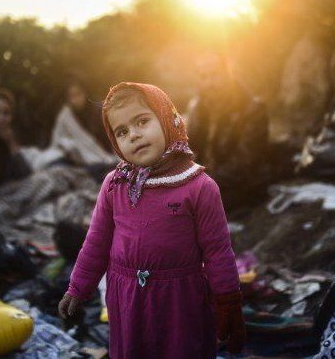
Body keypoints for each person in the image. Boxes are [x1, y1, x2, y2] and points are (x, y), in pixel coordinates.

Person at [58, 82, 246, 358]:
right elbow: (96, 242)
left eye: (142, 121)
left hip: (181, 301)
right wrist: (77, 288)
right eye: (122, 131)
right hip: (127, 299)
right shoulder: (115, 184)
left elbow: (218, 252)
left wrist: (228, 300)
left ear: (168, 119)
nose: (134, 135)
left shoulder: (199, 187)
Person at [186, 54, 269, 210]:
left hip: (242, 187)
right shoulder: (196, 108)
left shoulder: (252, 109)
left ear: (228, 74)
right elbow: (189, 149)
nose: (209, 83)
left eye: (215, 75)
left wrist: (204, 183)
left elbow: (245, 163)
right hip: (205, 182)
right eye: (204, 77)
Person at [48, 80, 116, 178]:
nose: (74, 100)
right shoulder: (65, 115)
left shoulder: (98, 110)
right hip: (76, 160)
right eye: (71, 96)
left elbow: (111, 140)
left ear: (85, 93)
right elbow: (57, 142)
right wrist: (69, 146)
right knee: (55, 168)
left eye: (78, 94)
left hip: (102, 159)